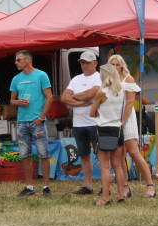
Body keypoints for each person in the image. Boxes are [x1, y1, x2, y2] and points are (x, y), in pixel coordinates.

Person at [107, 54, 157, 198]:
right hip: (113, 120)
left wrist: (122, 121)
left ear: (122, 66)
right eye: (112, 65)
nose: (115, 67)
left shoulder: (128, 79)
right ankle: (125, 187)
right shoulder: (108, 81)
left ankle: (150, 186)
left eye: (117, 64)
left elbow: (130, 103)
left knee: (134, 152)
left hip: (127, 121)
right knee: (119, 155)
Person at [9, 50, 54, 196]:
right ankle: (29, 187)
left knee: (43, 154)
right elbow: (12, 100)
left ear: (28, 60)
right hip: (22, 121)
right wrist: (17, 102)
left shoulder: (41, 75)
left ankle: (46, 187)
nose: (16, 62)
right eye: (16, 60)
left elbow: (49, 97)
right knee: (25, 155)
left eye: (18, 60)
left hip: (37, 121)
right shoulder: (16, 79)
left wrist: (41, 117)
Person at [60, 51, 102, 196]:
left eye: (87, 63)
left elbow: (94, 92)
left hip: (95, 122)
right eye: (82, 63)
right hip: (79, 123)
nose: (84, 65)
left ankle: (105, 185)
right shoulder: (76, 79)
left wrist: (74, 97)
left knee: (102, 155)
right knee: (84, 155)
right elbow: (63, 97)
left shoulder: (99, 77)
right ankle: (88, 186)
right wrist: (79, 104)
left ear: (95, 63)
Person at [89, 64, 130, 206]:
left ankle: (105, 198)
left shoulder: (102, 92)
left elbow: (92, 112)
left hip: (104, 130)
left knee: (105, 167)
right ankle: (120, 194)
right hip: (117, 129)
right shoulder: (121, 91)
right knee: (118, 165)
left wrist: (98, 111)